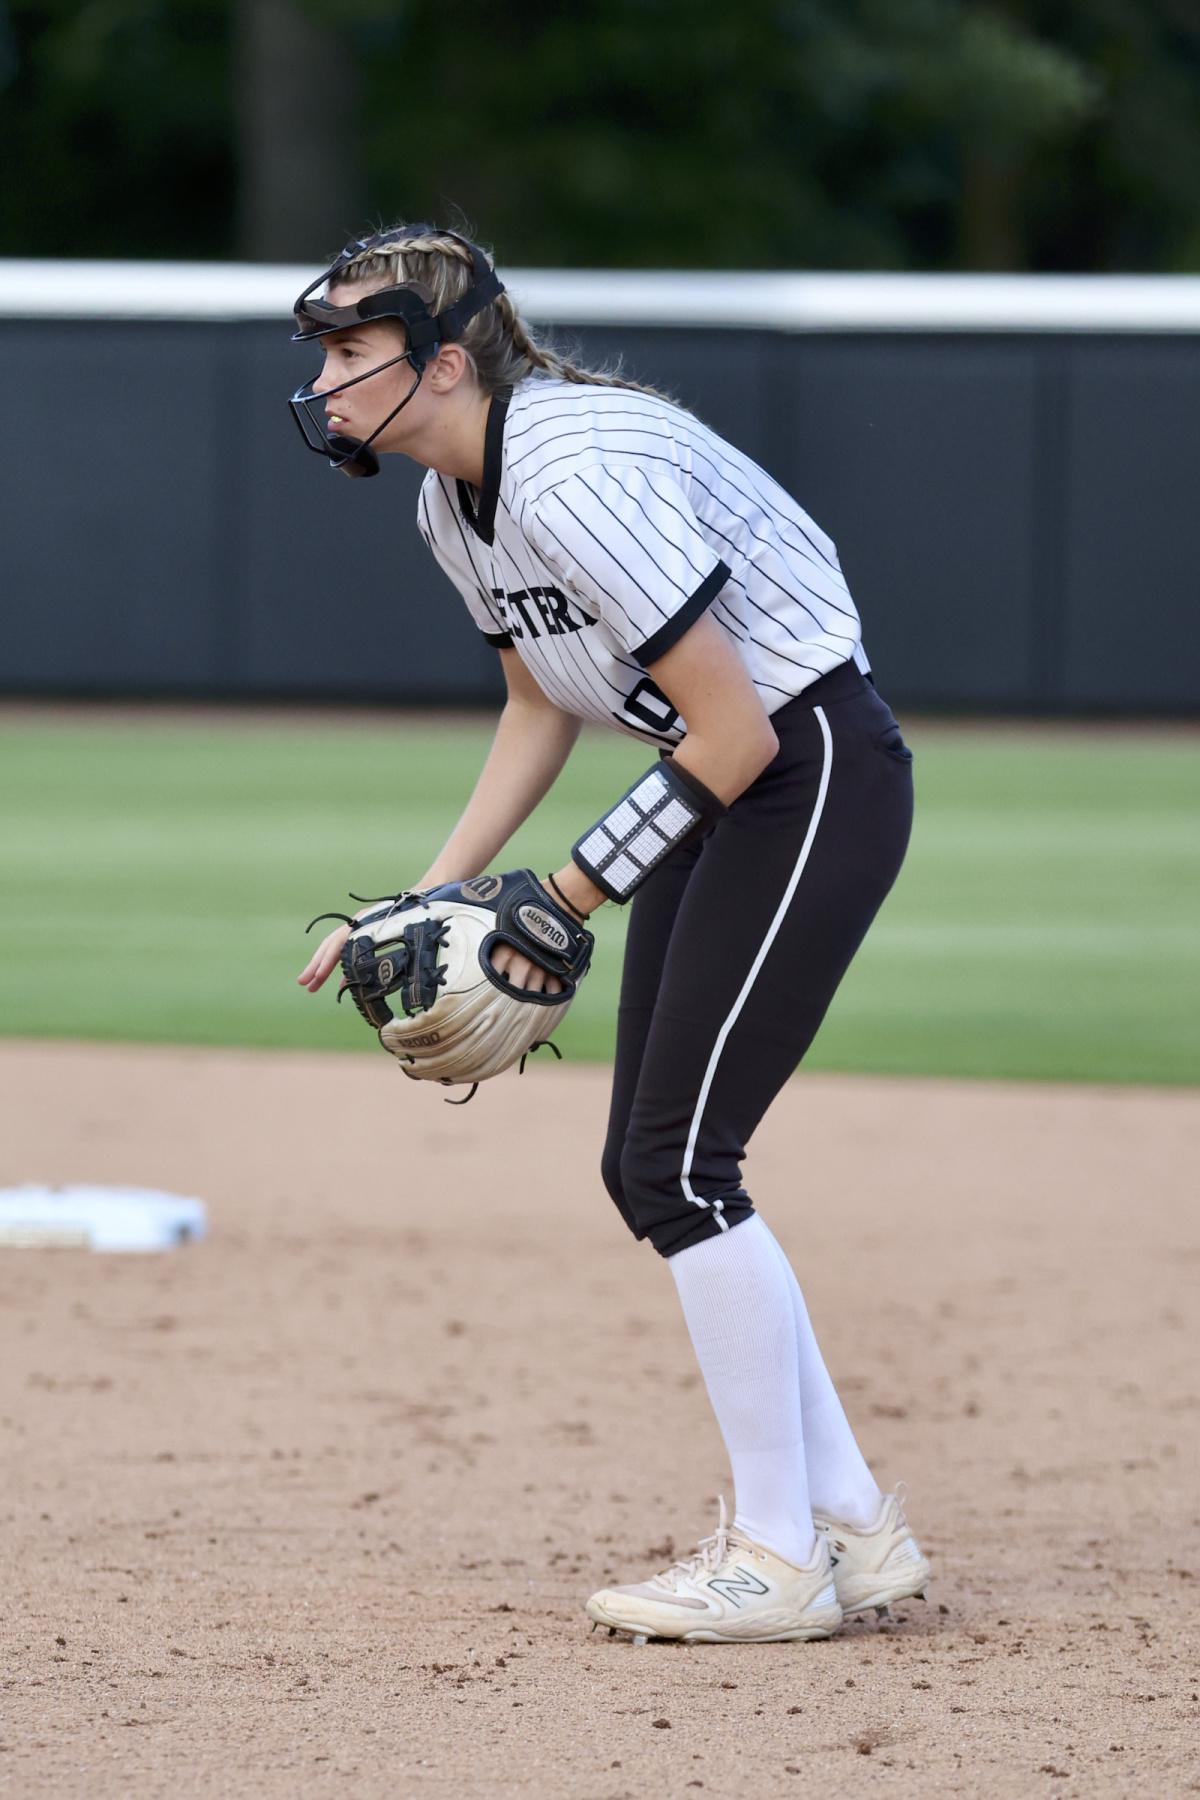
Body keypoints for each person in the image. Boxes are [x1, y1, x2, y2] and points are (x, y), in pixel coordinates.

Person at [293, 223, 930, 1645]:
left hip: (806, 768)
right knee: (653, 1164)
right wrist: (442, 891)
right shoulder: (452, 506)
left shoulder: (574, 473)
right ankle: (852, 1528)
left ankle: (774, 1558)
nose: (325, 384)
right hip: (723, 780)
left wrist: (563, 899)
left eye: (350, 353)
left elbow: (742, 726)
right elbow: (542, 706)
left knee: (678, 1167)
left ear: (442, 364)